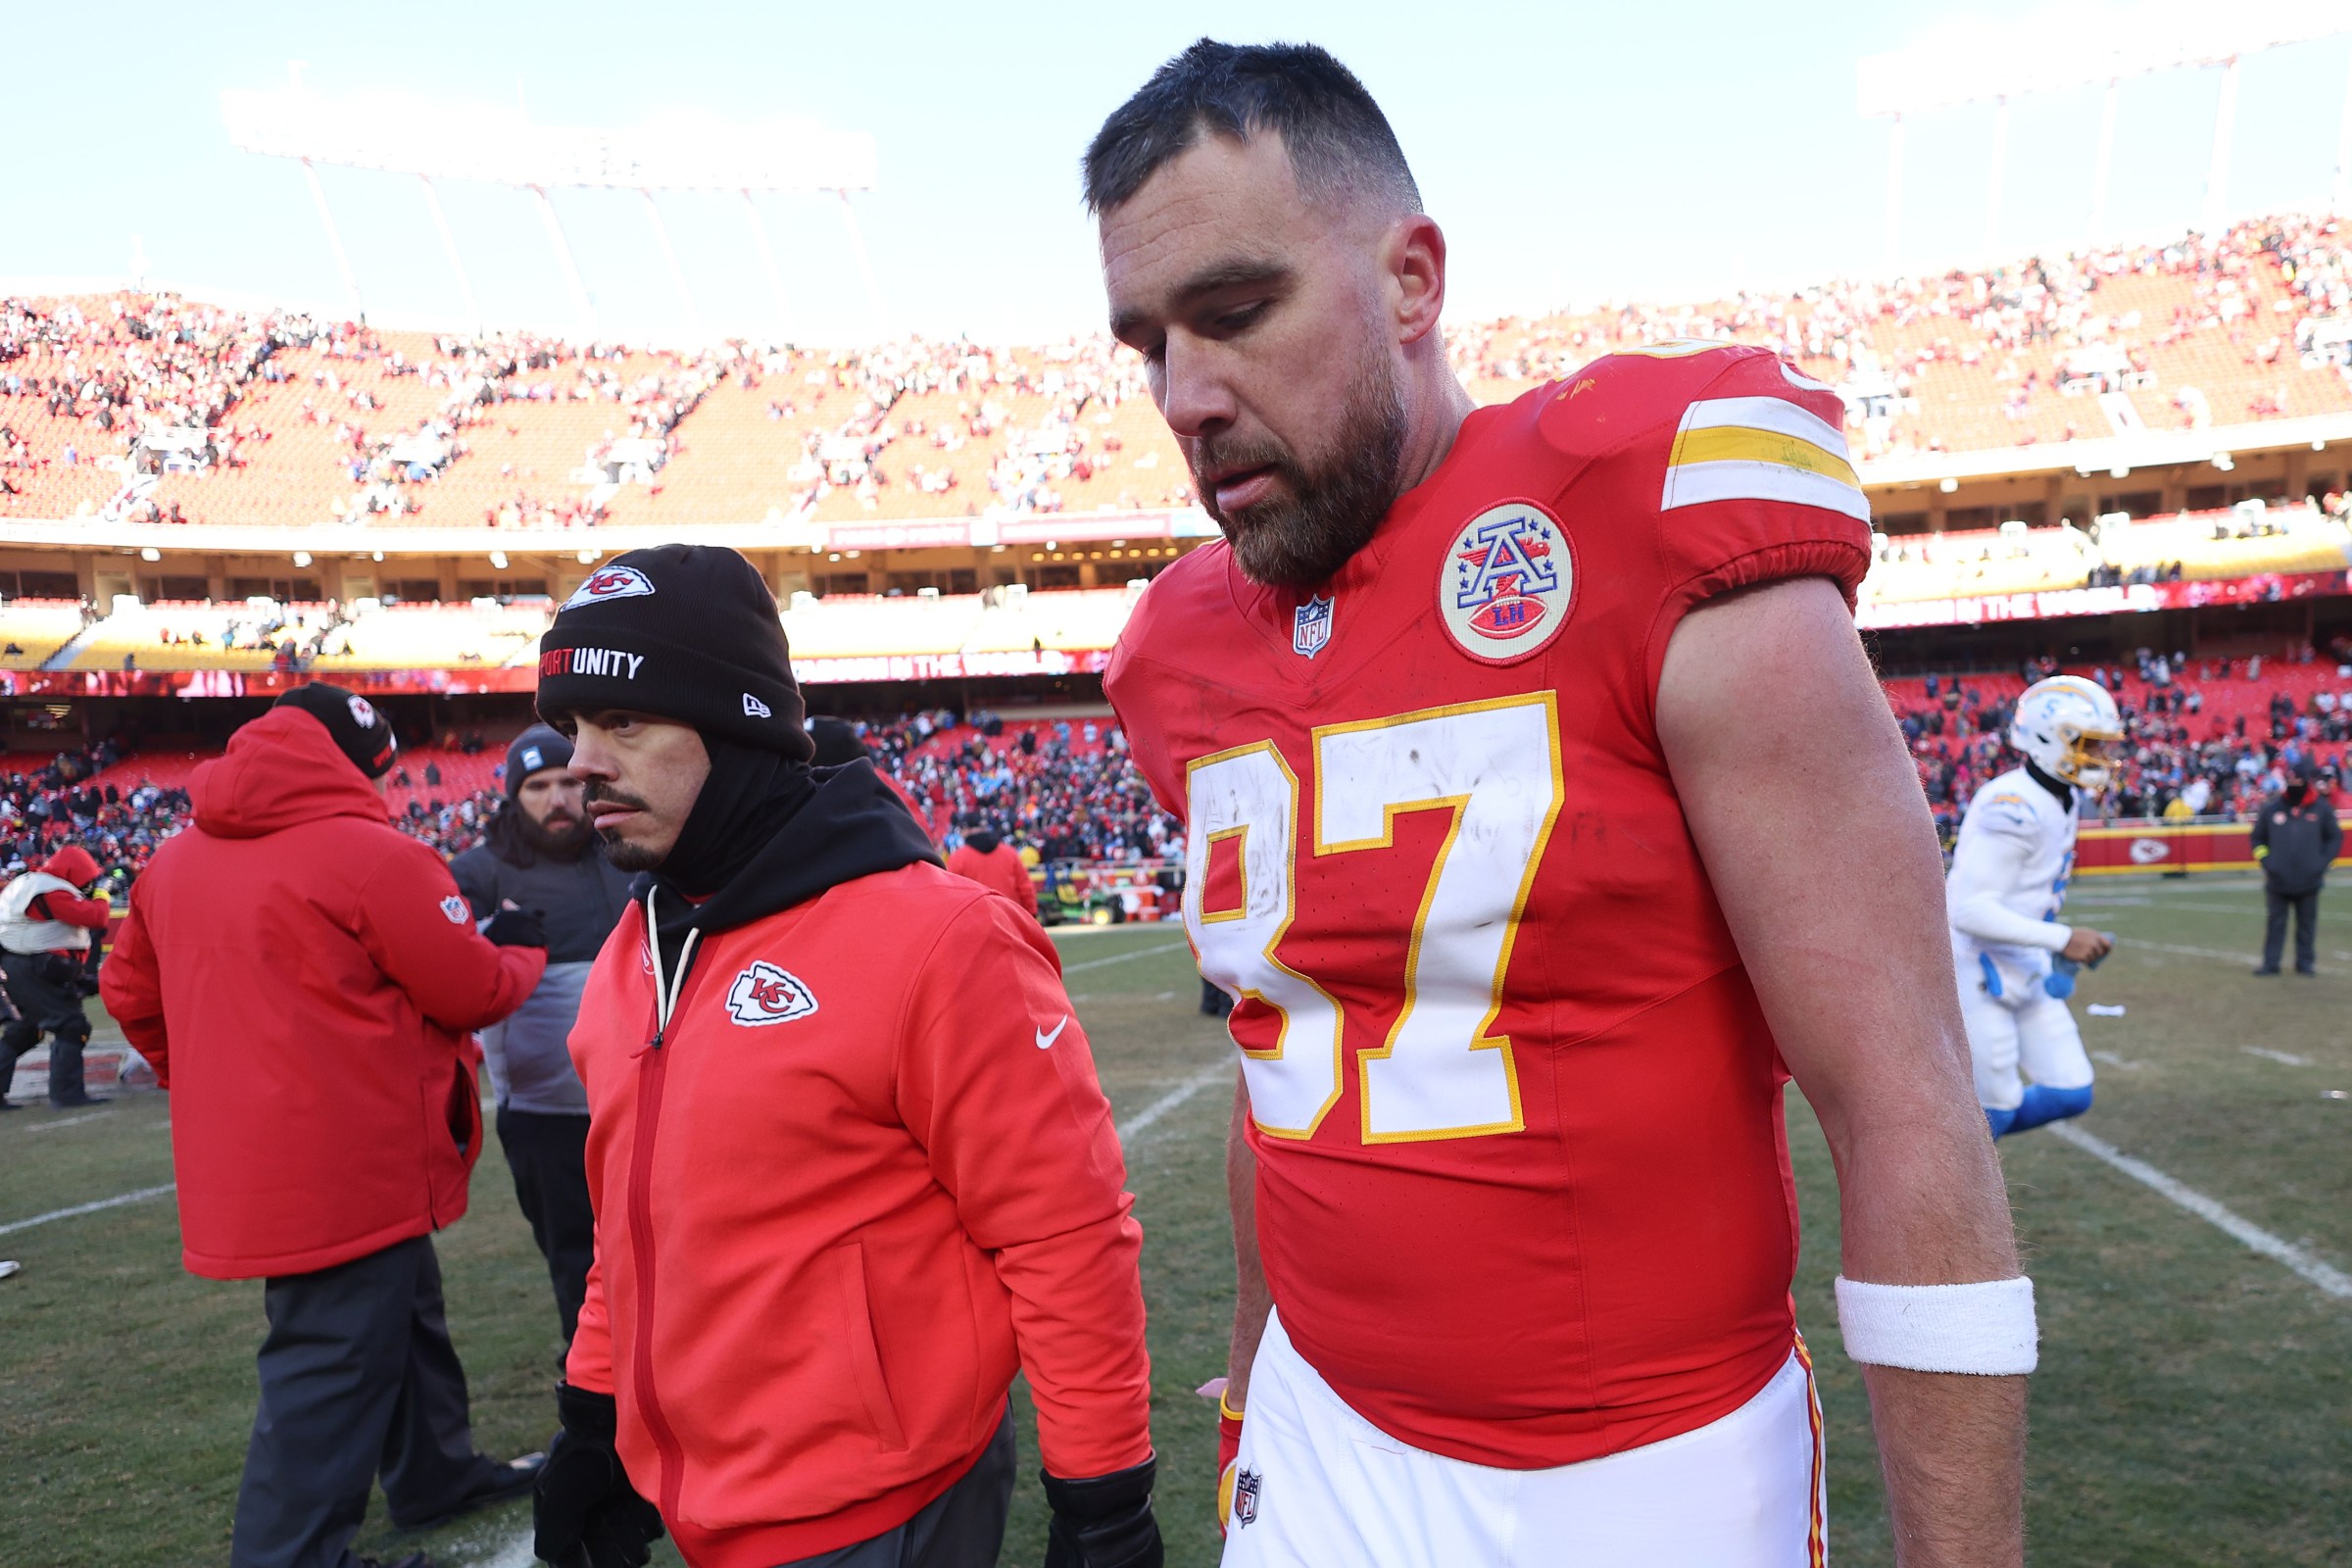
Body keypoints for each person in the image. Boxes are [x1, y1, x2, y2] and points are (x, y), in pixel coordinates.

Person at [1088, 42, 2030, 1567]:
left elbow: (1903, 1103)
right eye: (1146, 345)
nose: (1187, 396)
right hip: (1323, 1434)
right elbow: (1287, 1066)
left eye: (1240, 312)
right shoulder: (1175, 652)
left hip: (1638, 1470)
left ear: (1410, 283)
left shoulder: (1646, 500)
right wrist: (1260, 1391)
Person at [528, 546, 1160, 1568]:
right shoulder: (632, 952)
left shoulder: (938, 936)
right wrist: (596, 1416)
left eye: (624, 721)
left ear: (733, 723)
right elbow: (628, 1227)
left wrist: (1103, 1498)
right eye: (574, 727)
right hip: (706, 1505)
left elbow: (1066, 1235)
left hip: (884, 1509)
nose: (582, 761)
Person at [100, 683, 552, 1568]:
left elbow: (129, 995)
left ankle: (433, 1473)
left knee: (405, 1314)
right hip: (355, 1157)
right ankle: (293, 1555)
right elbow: (472, 990)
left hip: (266, 1161)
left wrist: (212, 1086)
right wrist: (521, 944)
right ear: (354, 761)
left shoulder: (171, 861)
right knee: (328, 1367)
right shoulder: (374, 856)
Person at [449, 723, 633, 1350]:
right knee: (578, 1267)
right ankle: (594, 1416)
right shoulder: (475, 873)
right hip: (549, 1115)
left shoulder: (627, 852)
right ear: (513, 796)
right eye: (538, 786)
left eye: (567, 782)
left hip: (645, 1101)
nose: (557, 798)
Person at [1946, 676, 2120, 1137]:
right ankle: (1943, 1155)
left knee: (2070, 1092)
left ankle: (1957, 1143)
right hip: (1977, 968)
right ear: (2045, 737)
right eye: (2086, 744)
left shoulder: (2062, 795)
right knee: (1994, 1111)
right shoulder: (2012, 804)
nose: (2098, 757)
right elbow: (1967, 910)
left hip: (2025, 960)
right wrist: (2063, 937)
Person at [0, 844, 112, 1108]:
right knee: (71, 1025)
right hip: (32, 966)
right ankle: (67, 1094)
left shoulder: (31, 883)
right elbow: (97, 917)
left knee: (26, 1030)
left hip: (21, 964)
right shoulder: (50, 890)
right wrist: (102, 894)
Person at [2250, 754, 2342, 975]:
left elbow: (2334, 838)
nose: (2293, 784)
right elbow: (2257, 838)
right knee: (2275, 924)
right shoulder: (2272, 809)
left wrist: (2322, 862)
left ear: (2305, 781)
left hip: (2309, 879)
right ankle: (2271, 963)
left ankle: (2305, 963)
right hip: (2277, 879)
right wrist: (2267, 861)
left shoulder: (2321, 808)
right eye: (2290, 779)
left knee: (2307, 925)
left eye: (2297, 780)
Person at [945, 818, 1039, 918]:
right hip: (1010, 919)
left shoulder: (958, 858)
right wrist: (1031, 914)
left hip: (976, 923)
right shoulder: (1009, 853)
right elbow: (1025, 888)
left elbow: (952, 897)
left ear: (965, 831)